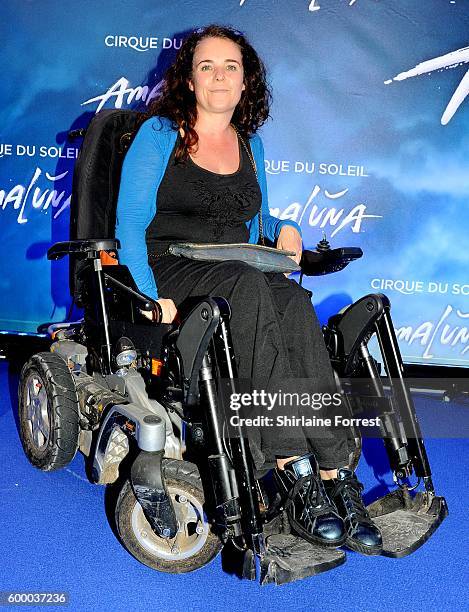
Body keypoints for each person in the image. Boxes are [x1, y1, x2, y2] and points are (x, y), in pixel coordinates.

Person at [116, 24, 382, 555]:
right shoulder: (158, 136)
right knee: (252, 288)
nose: (219, 76)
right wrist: (149, 298)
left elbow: (254, 223)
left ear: (245, 83)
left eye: (230, 67)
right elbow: (129, 224)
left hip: (237, 269)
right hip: (172, 267)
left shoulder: (251, 143)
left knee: (293, 299)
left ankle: (334, 473)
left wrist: (280, 230)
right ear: (189, 80)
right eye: (207, 66)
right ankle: (289, 466)